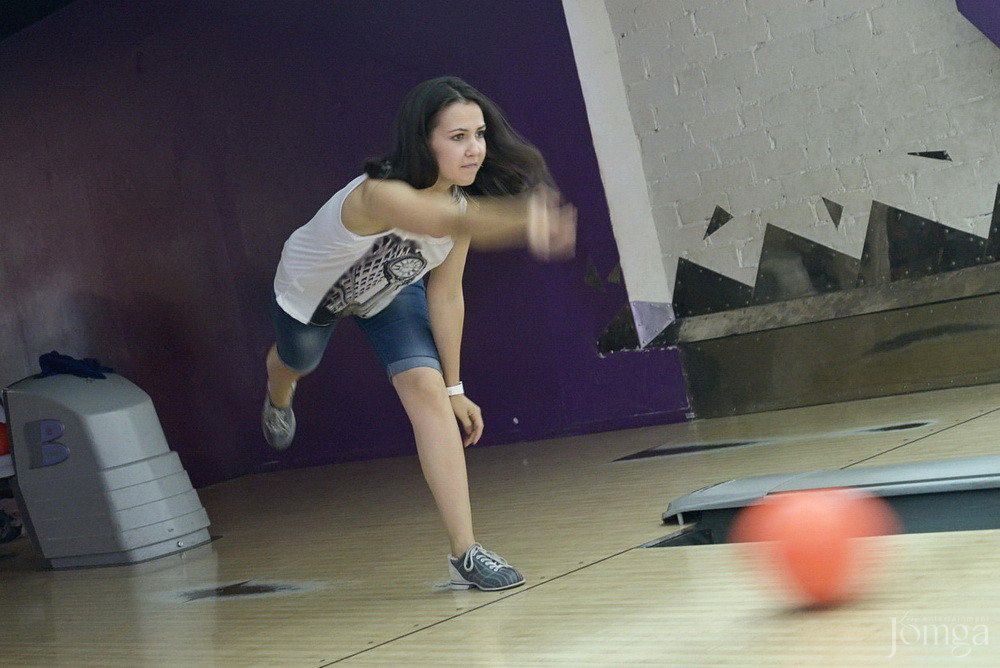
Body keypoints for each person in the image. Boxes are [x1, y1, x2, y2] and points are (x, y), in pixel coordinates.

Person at [263, 76, 576, 591]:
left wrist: (454, 388)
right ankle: (279, 391)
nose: (474, 148)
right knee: (297, 362)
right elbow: (431, 217)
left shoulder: (460, 209)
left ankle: (465, 552)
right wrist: (525, 219)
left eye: (478, 134)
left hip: (390, 294)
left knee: (428, 395)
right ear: (422, 140)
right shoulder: (380, 194)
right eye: (457, 137)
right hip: (311, 297)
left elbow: (446, 295)